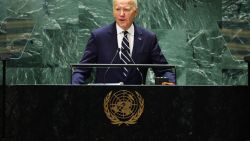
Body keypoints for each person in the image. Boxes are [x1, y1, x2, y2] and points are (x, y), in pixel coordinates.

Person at [72, 0, 175, 85]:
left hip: (136, 101)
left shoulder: (148, 38)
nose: (121, 14)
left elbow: (164, 70)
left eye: (126, 9)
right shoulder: (99, 37)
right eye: (117, 9)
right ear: (113, 11)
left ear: (135, 12)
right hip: (103, 100)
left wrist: (169, 81)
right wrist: (75, 87)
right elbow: (81, 70)